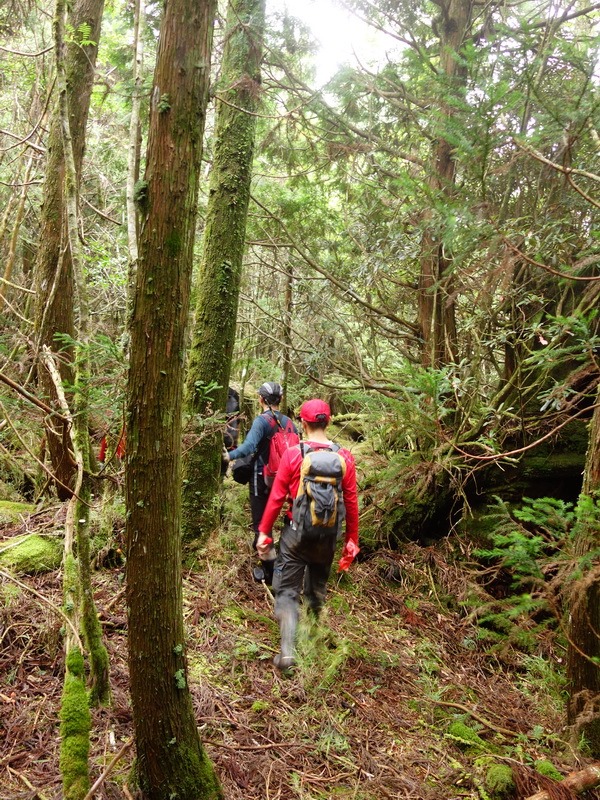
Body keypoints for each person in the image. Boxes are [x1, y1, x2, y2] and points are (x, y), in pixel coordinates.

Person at [256, 399, 359, 670]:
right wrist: (352, 540)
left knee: (287, 591)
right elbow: (351, 502)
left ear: (302, 423)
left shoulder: (294, 454)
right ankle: (313, 645)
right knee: (316, 590)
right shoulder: (345, 456)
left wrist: (264, 532)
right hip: (328, 537)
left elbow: (277, 497)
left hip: (295, 535)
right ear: (330, 421)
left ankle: (288, 653)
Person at [223, 381, 298, 583]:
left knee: (261, 526)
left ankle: (270, 572)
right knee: (276, 521)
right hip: (284, 481)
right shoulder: (290, 423)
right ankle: (282, 566)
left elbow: (248, 447)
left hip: (261, 478)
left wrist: (229, 457)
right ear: (280, 400)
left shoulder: (262, 421)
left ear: (261, 399)